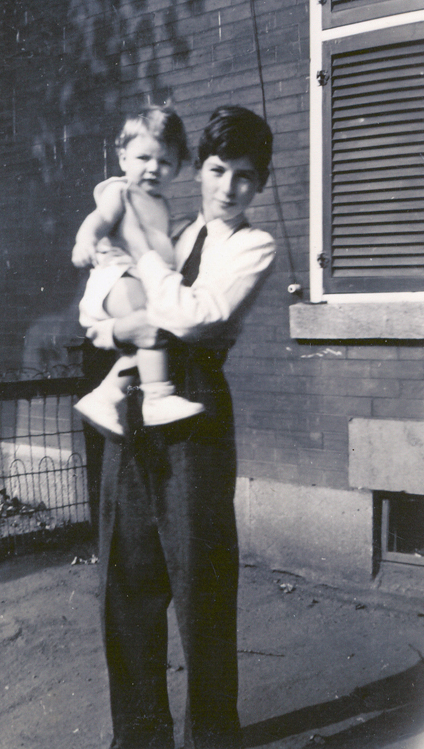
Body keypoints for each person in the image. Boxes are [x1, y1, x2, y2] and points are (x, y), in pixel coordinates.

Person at [86, 105, 276, 749]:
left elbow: (197, 315)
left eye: (246, 177)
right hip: (134, 400)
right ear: (198, 170)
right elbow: (100, 306)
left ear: (261, 184)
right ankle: (139, 737)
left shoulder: (252, 245)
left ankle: (213, 739)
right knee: (128, 582)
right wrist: (118, 326)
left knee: (201, 585)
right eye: (219, 170)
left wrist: (142, 254)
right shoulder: (177, 229)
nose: (229, 188)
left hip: (193, 408)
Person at [72, 106, 205, 436]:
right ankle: (157, 397)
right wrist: (84, 241)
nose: (153, 169)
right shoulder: (121, 192)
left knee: (148, 339)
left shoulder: (161, 205)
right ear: (122, 158)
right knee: (155, 323)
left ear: (177, 167)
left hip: (130, 282)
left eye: (164, 162)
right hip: (113, 280)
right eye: (143, 158)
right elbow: (99, 220)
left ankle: (104, 396)